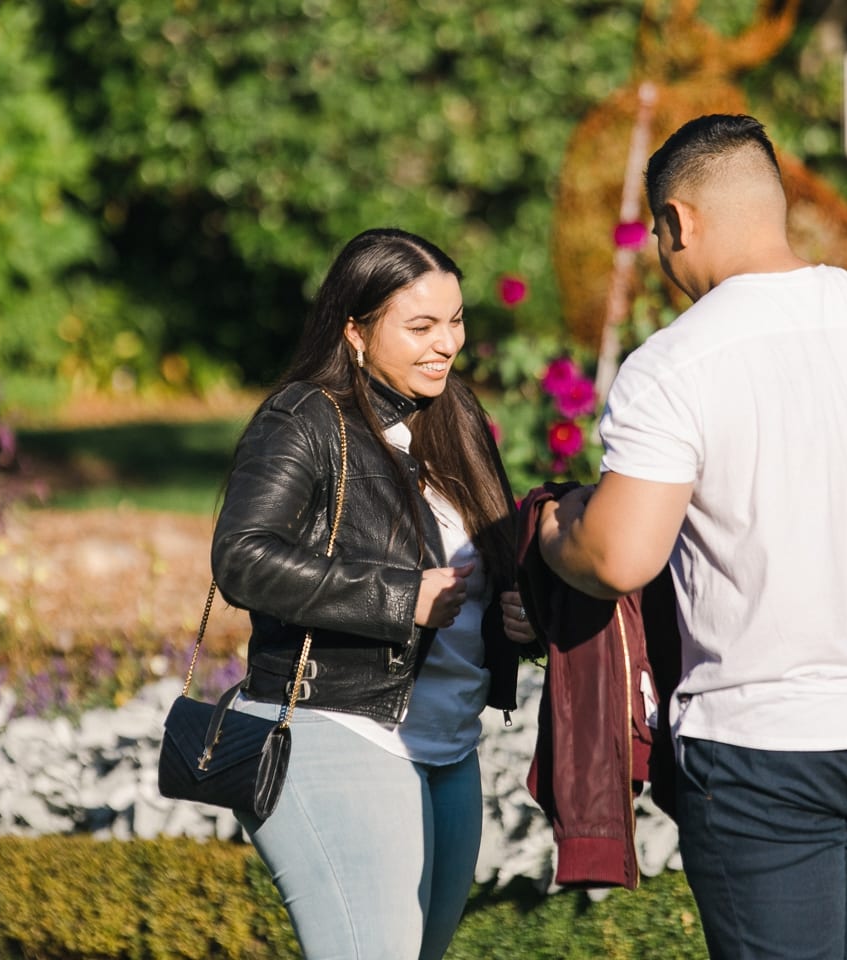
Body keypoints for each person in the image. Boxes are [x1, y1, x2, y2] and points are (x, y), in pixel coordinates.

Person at [537, 114, 847, 959]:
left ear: (678, 223)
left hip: (763, 746)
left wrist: (559, 531)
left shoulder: (675, 363)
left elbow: (620, 557)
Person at [209, 227, 536, 960]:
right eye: (419, 326)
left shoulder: (458, 422)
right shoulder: (305, 419)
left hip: (446, 747)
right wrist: (399, 598)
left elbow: (485, 568)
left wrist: (523, 620)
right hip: (337, 732)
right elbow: (241, 558)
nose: (445, 343)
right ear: (354, 331)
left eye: (454, 321)